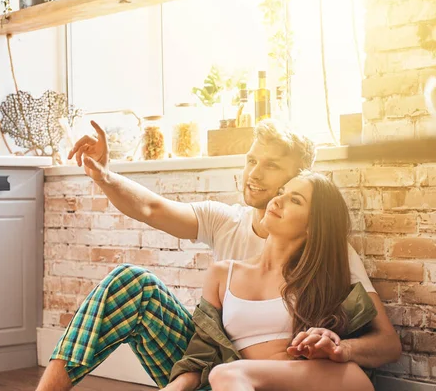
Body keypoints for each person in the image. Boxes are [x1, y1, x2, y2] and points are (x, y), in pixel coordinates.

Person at [36, 120, 401, 391]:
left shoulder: (326, 253)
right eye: (251, 160)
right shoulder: (226, 222)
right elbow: (150, 208)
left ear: (300, 179)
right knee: (131, 284)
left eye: (271, 166)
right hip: (214, 368)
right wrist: (102, 175)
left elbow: (384, 343)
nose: (254, 174)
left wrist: (341, 349)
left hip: (280, 377)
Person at [166, 171, 385, 391]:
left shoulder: (323, 279)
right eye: (282, 192)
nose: (277, 200)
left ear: (313, 225)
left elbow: (387, 345)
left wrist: (336, 345)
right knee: (224, 374)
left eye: (295, 200)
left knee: (226, 373)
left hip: (325, 380)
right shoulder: (222, 274)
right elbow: (203, 350)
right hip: (241, 383)